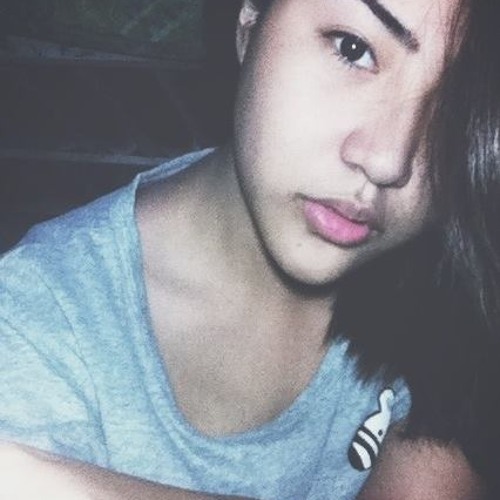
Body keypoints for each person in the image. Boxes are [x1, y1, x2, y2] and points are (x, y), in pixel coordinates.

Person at [0, 0, 496, 498]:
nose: (389, 160)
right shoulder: (33, 326)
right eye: (352, 49)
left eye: (460, 107)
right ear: (249, 21)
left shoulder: (462, 278)